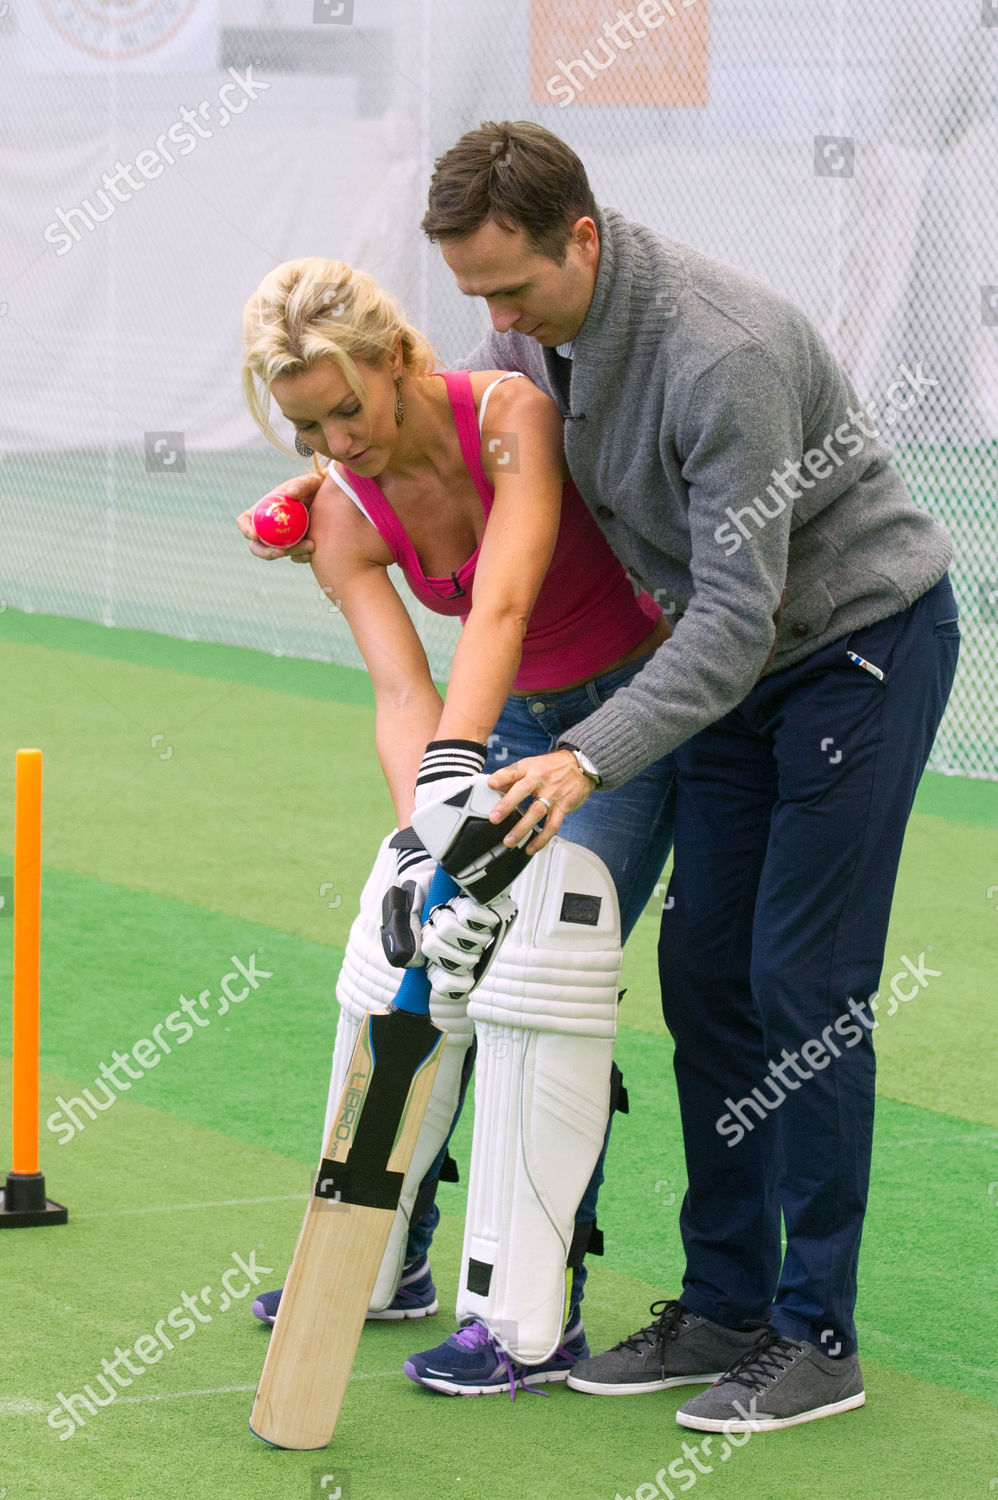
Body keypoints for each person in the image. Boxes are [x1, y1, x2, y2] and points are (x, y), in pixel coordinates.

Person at [252, 120, 957, 1431]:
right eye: (475, 299)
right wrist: (351, 485)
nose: (498, 323)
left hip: (849, 652)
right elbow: (463, 425)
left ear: (582, 235)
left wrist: (585, 756)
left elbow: (735, 618)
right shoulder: (541, 330)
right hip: (732, 675)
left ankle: (816, 1334)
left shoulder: (716, 356)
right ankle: (724, 1302)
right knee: (702, 980)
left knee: (800, 980)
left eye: (511, 291)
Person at [238, 256, 676, 1394]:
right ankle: (381, 1262)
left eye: (347, 410)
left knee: (541, 965)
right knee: (412, 953)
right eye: (308, 428)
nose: (338, 443)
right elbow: (398, 691)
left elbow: (504, 602)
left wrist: (458, 795)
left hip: (631, 716)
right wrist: (429, 843)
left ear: (397, 360)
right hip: (509, 714)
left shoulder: (510, 418)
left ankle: (530, 1317)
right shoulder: (341, 513)